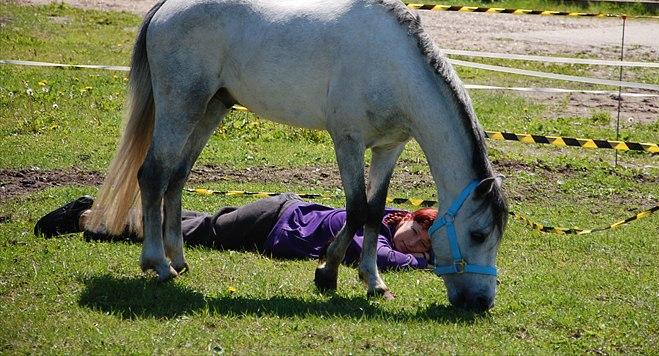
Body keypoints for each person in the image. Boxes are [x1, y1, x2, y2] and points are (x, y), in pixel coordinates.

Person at [34, 193, 437, 270]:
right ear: (408, 217)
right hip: (272, 218)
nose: (413, 245)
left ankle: (113, 211)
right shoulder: (373, 227)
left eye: (421, 247)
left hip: (274, 216)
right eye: (417, 234)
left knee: (201, 222)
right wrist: (431, 264)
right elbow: (380, 257)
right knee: (201, 233)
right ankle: (89, 219)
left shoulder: (381, 223)